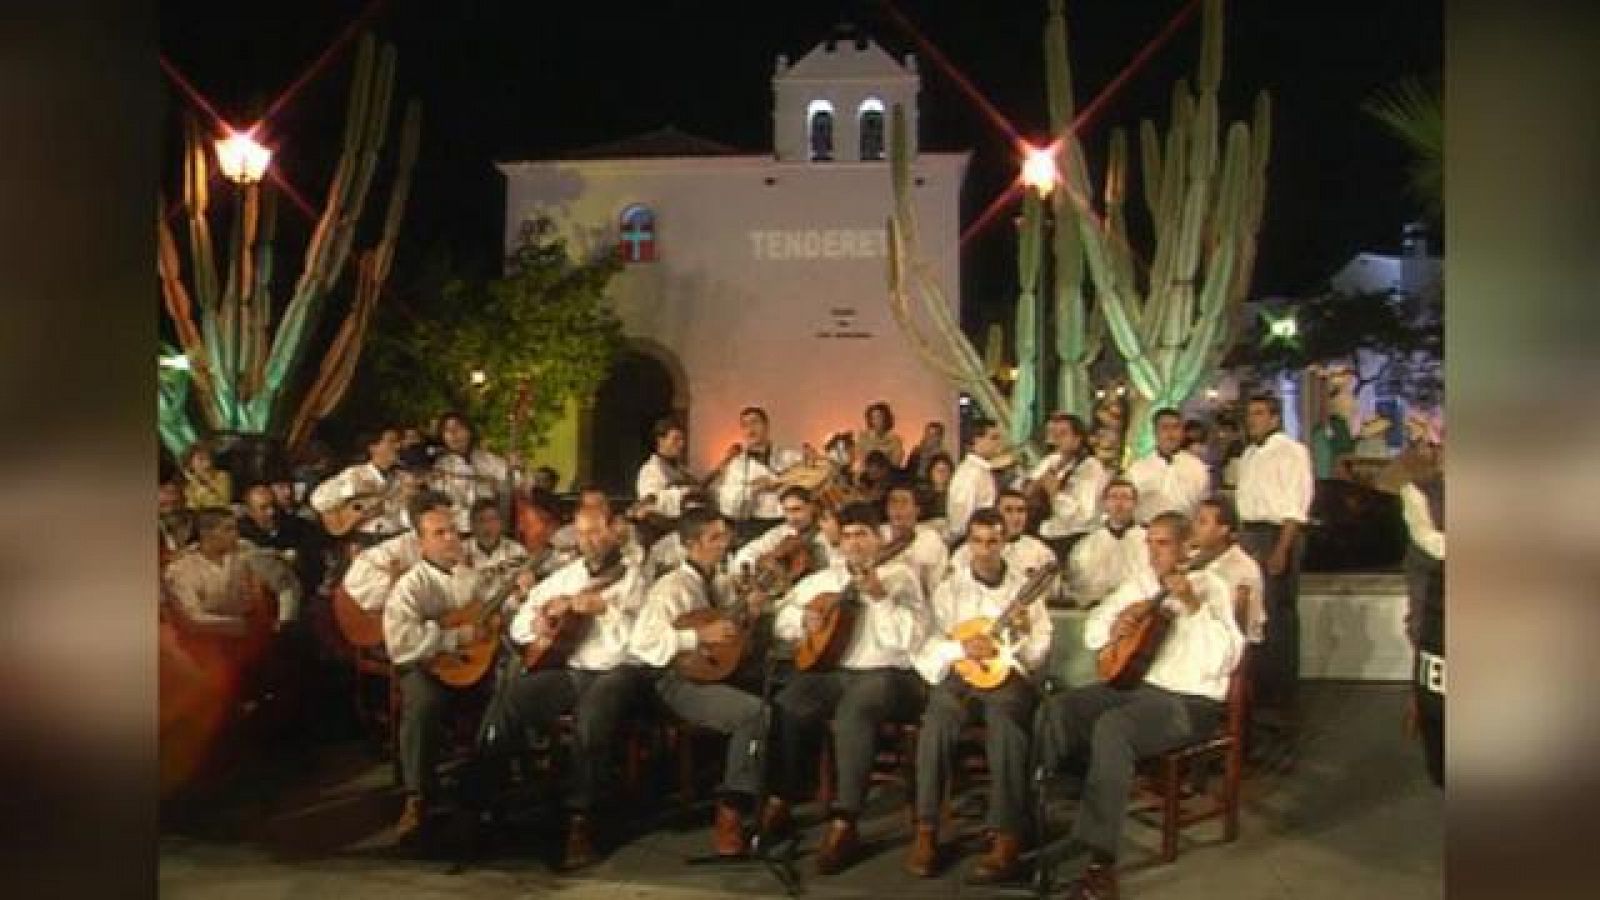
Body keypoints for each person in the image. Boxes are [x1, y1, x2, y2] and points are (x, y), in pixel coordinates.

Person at [1034, 512, 1244, 900]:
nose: (1153, 552)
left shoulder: (1212, 585)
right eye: (1149, 542)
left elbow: (1225, 658)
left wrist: (1193, 606)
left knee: (1114, 728)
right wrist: (1116, 627)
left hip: (1189, 703)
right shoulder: (1140, 584)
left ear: (1186, 547)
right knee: (1059, 710)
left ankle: (1101, 864)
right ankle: (1039, 820)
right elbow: (1095, 630)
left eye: (1162, 544)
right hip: (1139, 688)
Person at [471, 503, 650, 869]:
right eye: (582, 534)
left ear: (615, 530)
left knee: (591, 720)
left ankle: (580, 820)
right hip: (572, 668)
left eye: (597, 532)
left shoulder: (636, 577)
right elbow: (521, 621)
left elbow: (640, 639)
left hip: (619, 670)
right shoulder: (567, 576)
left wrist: (605, 611)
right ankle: (483, 800)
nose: (590, 541)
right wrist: (534, 625)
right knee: (511, 699)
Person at [764, 501, 929, 873]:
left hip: (891, 675)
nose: (854, 544)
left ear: (879, 537)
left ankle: (845, 822)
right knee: (789, 702)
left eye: (862, 535)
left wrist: (879, 598)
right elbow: (783, 616)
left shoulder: (901, 576)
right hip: (838, 674)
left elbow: (909, 641)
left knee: (855, 709)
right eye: (848, 536)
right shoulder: (826, 579)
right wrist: (803, 619)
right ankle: (782, 799)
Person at [906, 509, 1054, 882]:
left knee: (1006, 724)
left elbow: (1039, 654)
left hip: (1008, 679)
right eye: (977, 541)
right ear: (968, 543)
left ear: (1005, 543)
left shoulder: (1026, 591)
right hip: (961, 676)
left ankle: (1006, 835)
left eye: (993, 542)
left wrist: (1019, 637)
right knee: (937, 720)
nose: (985, 550)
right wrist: (961, 651)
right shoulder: (949, 590)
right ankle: (927, 829)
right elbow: (928, 646)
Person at [627, 507, 769, 857]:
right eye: (714, 538)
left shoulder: (717, 583)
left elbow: (728, 636)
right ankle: (730, 812)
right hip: (673, 681)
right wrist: (697, 637)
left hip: (709, 673)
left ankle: (769, 799)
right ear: (691, 545)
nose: (724, 544)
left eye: (725, 536)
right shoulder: (671, 587)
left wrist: (748, 613)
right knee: (753, 713)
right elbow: (642, 643)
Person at [381, 490, 505, 845]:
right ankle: (417, 796)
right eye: (439, 533)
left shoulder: (472, 577)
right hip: (421, 664)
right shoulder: (410, 586)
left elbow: (495, 614)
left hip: (469, 666)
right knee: (424, 704)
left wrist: (517, 594)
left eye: (453, 531)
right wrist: (456, 636)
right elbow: (400, 642)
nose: (451, 538)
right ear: (420, 543)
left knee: (505, 695)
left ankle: (483, 788)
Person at [1235, 394, 1314, 715]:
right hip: (1251, 534)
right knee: (1255, 615)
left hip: (1276, 535)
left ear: (1274, 418)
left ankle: (1281, 696)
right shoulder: (1250, 453)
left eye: (1258, 413)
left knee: (1277, 617)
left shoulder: (1292, 452)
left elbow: (1296, 504)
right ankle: (1259, 691)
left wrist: (1282, 548)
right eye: (1249, 413)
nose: (1251, 419)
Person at [1382, 417, 1444, 787]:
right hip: (1431, 577)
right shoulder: (1416, 488)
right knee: (1425, 637)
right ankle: (1421, 707)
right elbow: (1427, 538)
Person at [163, 507, 301, 637]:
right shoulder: (182, 569)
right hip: (204, 646)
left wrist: (284, 621)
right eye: (228, 529)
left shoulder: (246, 551)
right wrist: (243, 626)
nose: (236, 535)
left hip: (254, 640)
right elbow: (192, 618)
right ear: (207, 533)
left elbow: (285, 583)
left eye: (235, 529)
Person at [1020, 412, 1108, 562]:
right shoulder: (1051, 460)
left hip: (1074, 540)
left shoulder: (1092, 468)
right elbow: (1025, 491)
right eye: (1053, 434)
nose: (1055, 439)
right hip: (1044, 534)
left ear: (1077, 438)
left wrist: (1055, 494)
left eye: (1062, 434)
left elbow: (1084, 516)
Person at [712, 406, 803, 544]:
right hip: (755, 526)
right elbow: (728, 506)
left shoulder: (791, 457)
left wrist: (781, 482)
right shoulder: (736, 466)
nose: (750, 429)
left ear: (766, 426)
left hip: (789, 521)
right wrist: (754, 489)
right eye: (745, 425)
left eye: (755, 422)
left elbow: (805, 484)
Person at [309, 426, 411, 544]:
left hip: (397, 538)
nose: (398, 446)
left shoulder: (400, 477)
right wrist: (352, 491)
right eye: (392, 441)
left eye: (399, 442)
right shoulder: (356, 474)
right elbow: (317, 499)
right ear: (373, 447)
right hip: (367, 540)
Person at [1190, 494, 1266, 644]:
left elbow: (1238, 626)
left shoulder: (1243, 569)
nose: (1194, 527)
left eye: (1202, 522)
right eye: (1195, 520)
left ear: (1223, 529)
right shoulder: (1190, 559)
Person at [1066, 480, 1150, 609]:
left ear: (1135, 503)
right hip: (1098, 607)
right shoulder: (1086, 544)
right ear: (1105, 503)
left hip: (1139, 607)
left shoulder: (1149, 539)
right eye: (1113, 497)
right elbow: (1078, 582)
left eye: (1126, 498)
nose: (1119, 503)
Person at [237, 482, 326, 601]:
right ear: (250, 511)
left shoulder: (300, 527)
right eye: (263, 508)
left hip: (301, 593)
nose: (271, 512)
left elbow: (316, 565)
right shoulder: (240, 533)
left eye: (273, 505)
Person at [729, 486, 833, 583]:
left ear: (811, 507)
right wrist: (751, 568)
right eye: (786, 511)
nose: (791, 518)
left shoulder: (829, 530)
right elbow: (745, 553)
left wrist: (835, 542)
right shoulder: (781, 532)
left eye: (796, 509)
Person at [1124, 408, 1210, 524]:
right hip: (1147, 532)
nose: (1170, 434)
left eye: (1175, 427)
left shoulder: (1197, 468)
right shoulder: (1137, 469)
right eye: (1164, 428)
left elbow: (1203, 505)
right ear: (1155, 432)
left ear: (1182, 432)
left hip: (1184, 532)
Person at [431, 411, 511, 535]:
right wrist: (477, 520)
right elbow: (449, 506)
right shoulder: (441, 467)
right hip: (464, 531)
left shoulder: (487, 458)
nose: (453, 434)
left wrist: (515, 468)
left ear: (469, 431)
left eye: (458, 428)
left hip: (497, 524)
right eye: (447, 431)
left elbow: (514, 480)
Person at [952, 489, 1057, 579]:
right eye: (1008, 510)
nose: (1016, 517)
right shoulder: (967, 552)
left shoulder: (1041, 552)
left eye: (1021, 510)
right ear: (996, 512)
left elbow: (1052, 591)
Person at [881, 481, 949, 597]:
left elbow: (937, 586)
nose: (897, 509)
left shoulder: (930, 540)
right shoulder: (877, 535)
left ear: (917, 509)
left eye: (904, 503)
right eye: (893, 502)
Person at [944, 418, 1005, 546]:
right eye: (994, 438)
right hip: (972, 545)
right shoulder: (970, 474)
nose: (999, 443)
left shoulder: (983, 472)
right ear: (977, 440)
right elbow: (959, 523)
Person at [635, 417, 695, 522]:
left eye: (682, 439)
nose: (681, 444)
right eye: (676, 439)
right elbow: (651, 504)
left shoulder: (683, 471)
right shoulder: (649, 472)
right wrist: (685, 493)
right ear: (661, 441)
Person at [853, 401, 906, 471]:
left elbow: (895, 463)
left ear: (886, 418)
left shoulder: (895, 440)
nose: (877, 420)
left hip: (886, 476)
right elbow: (860, 458)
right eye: (874, 417)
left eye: (880, 417)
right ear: (870, 419)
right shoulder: (863, 438)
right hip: (865, 475)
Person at [181, 440, 233, 509]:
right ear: (190, 464)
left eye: (208, 458)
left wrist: (201, 487)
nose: (207, 463)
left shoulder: (222, 476)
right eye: (201, 459)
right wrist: (195, 482)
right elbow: (193, 509)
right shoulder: (189, 488)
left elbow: (222, 504)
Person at [921, 452, 956, 524]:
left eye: (944, 470)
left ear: (950, 473)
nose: (941, 473)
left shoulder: (955, 495)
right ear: (930, 472)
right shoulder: (922, 496)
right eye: (938, 470)